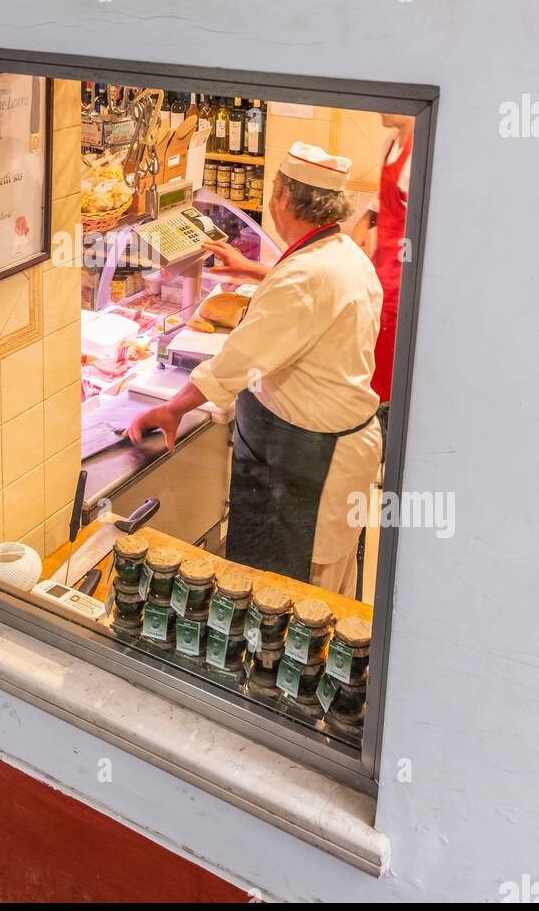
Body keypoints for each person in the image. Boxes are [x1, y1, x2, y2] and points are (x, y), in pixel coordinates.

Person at [126, 142, 383, 596]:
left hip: (307, 466)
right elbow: (314, 300)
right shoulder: (343, 253)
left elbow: (238, 361)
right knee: (324, 590)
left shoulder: (306, 277)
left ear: (284, 196)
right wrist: (255, 270)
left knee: (291, 599)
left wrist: (175, 408)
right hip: (327, 452)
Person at [351, 113, 415, 444]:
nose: (380, 109)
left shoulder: (423, 152)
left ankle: (385, 442)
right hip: (381, 270)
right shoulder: (391, 143)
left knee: (388, 373)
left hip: (403, 279)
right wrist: (364, 223)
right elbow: (382, 200)